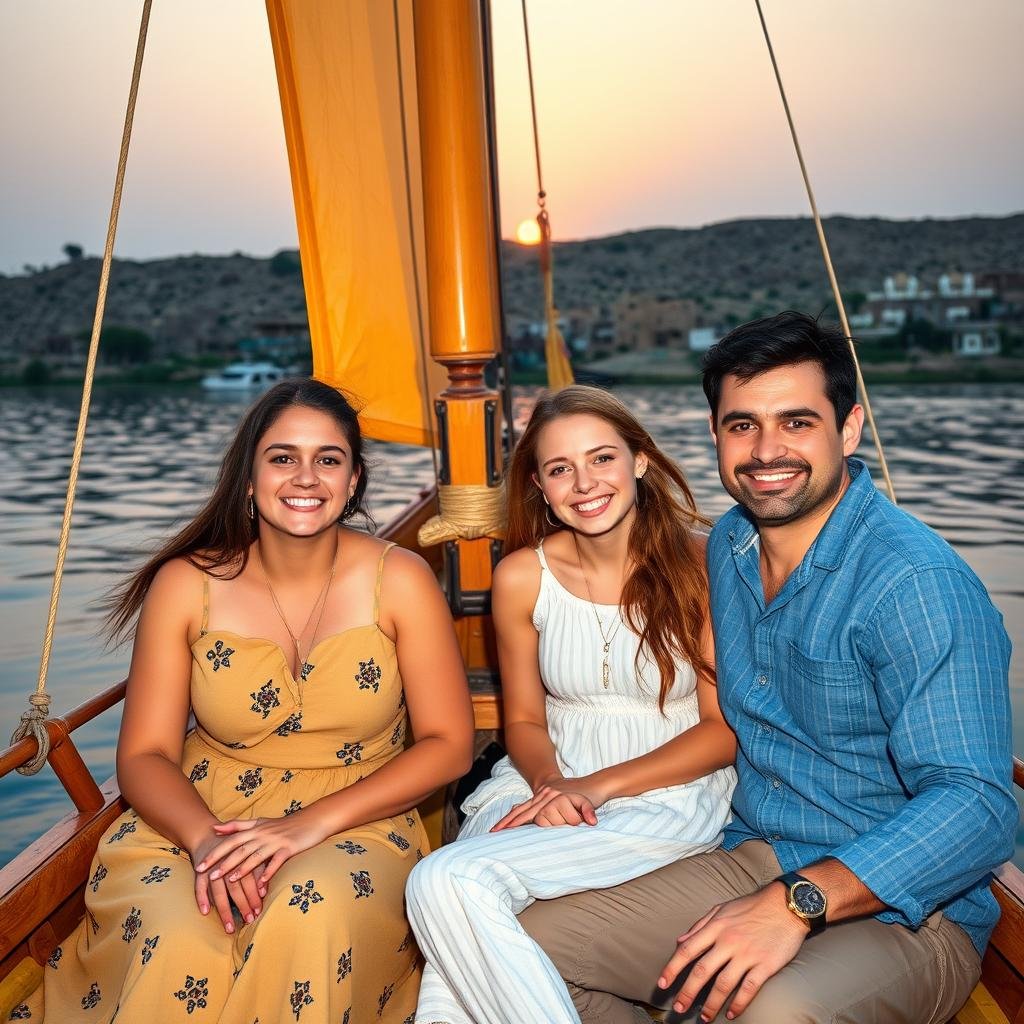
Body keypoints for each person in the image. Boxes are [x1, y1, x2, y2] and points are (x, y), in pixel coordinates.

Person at [518, 311, 1015, 1024]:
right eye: (742, 424)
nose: (765, 449)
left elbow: (979, 806)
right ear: (715, 434)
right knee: (529, 942)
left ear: (847, 430)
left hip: (909, 911)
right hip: (756, 852)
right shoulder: (727, 548)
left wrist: (797, 902)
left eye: (797, 422)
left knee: (773, 1013)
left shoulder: (914, 584)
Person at [15, 379, 474, 1024]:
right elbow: (145, 753)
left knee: (306, 915)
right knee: (181, 934)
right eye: (283, 457)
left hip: (356, 813)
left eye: (328, 459)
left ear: (354, 479)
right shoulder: (188, 584)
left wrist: (305, 826)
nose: (305, 477)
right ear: (249, 476)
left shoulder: (399, 579)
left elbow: (449, 744)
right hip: (201, 814)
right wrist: (205, 842)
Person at [405, 385, 737, 1024]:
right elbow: (524, 720)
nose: (584, 483)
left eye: (602, 459)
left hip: (663, 793)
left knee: (447, 881)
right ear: (540, 485)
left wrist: (594, 787)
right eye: (561, 469)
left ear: (640, 460)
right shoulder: (522, 576)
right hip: (540, 781)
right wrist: (554, 784)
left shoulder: (700, 565)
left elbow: (722, 731)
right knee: (452, 965)